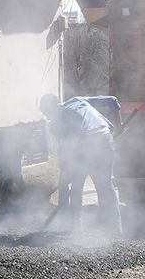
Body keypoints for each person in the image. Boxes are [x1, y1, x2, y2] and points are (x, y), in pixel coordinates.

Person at [40, 94, 122, 235]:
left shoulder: (57, 122)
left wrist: (65, 168)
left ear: (50, 108)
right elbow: (113, 100)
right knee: (105, 186)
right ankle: (114, 229)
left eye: (46, 112)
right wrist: (118, 126)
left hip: (85, 144)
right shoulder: (77, 100)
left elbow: (64, 149)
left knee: (76, 185)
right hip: (104, 138)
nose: (47, 117)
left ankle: (75, 227)